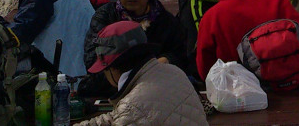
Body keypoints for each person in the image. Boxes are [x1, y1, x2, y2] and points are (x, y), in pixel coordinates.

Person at [80, 21, 208, 126]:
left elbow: (130, 112)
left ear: (112, 69)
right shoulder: (174, 71)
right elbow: (119, 115)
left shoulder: (132, 106)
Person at [84, 0, 192, 78]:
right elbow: (91, 58)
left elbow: (181, 56)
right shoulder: (104, 17)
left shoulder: (167, 22)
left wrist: (166, 60)